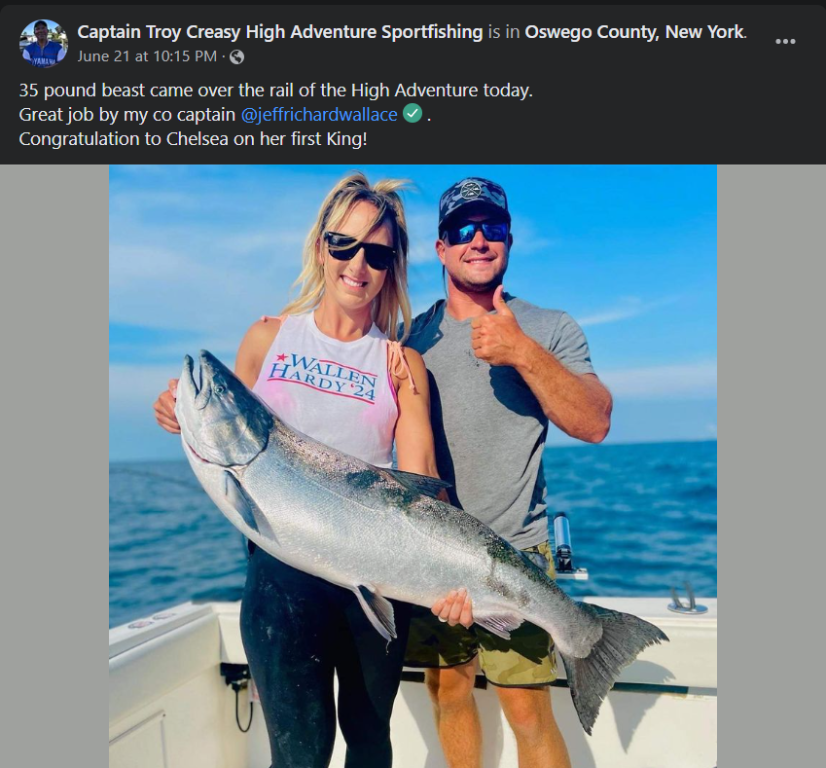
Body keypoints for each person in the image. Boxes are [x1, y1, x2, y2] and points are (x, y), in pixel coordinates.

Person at [154, 173, 456, 768]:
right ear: (321, 247)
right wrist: (177, 413)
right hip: (283, 577)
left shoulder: (402, 364)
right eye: (344, 244)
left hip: (376, 579)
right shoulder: (267, 338)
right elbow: (225, 433)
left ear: (392, 267)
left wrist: (454, 582)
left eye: (377, 254)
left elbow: (422, 486)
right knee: (300, 755)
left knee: (370, 743)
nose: (358, 264)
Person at [404, 178, 613, 768]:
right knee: (448, 692)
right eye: (461, 230)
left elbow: (594, 422)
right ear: (441, 248)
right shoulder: (410, 337)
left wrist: (521, 350)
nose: (478, 240)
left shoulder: (549, 327)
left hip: (518, 553)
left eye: (491, 227)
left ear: (510, 241)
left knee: (527, 711)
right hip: (429, 555)